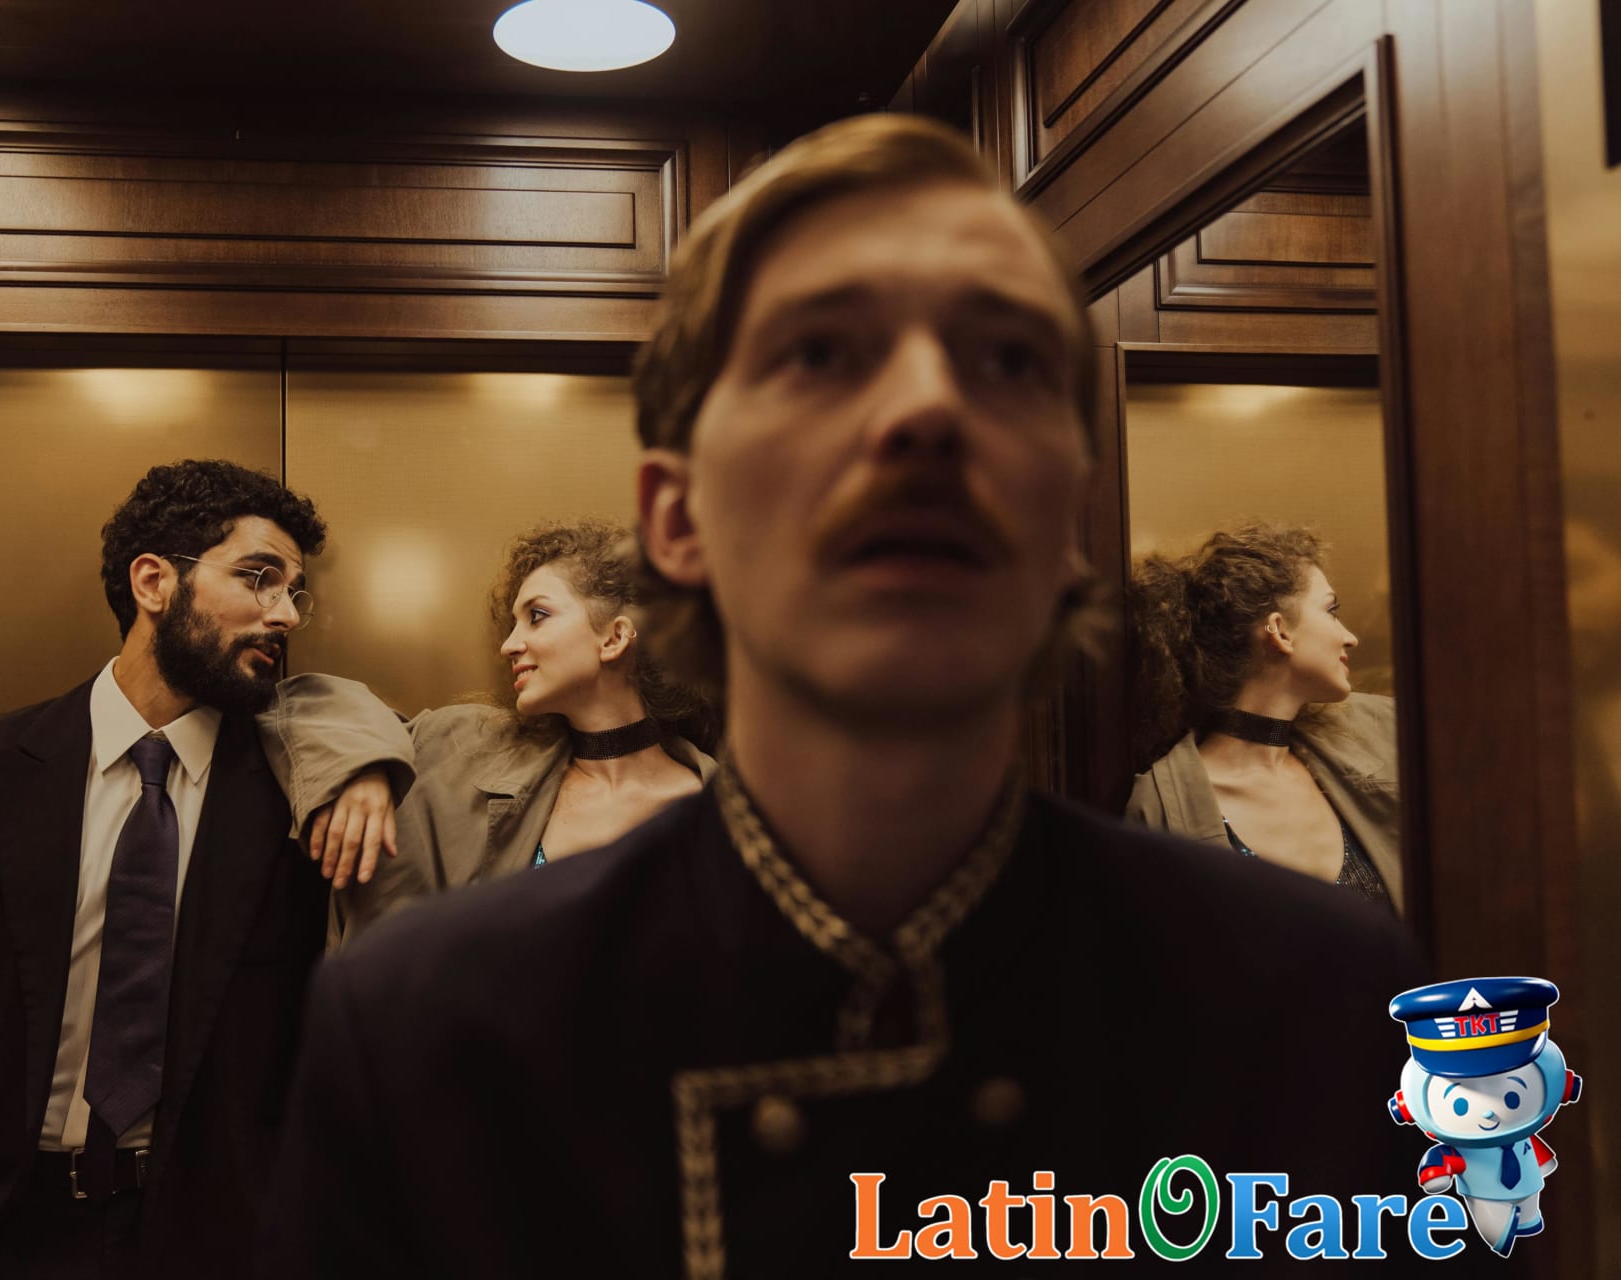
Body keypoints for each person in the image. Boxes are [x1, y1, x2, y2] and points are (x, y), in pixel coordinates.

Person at [266, 115, 1455, 1276]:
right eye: (821, 353)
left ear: (1067, 526)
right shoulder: (433, 1034)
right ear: (679, 518)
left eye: (1008, 363)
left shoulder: (1328, 1001)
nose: (929, 411)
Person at [0, 459, 413, 1280]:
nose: (285, 613)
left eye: (296, 592)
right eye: (259, 578)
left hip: (210, 1233)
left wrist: (368, 759)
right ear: (153, 580)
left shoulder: (290, 785)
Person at [258, 518, 716, 940]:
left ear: (614, 638)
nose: (509, 645)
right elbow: (300, 702)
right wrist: (363, 769)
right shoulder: (466, 747)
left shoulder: (717, 810)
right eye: (513, 622)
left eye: (537, 616)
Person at [1123, 524, 1401, 913]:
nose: (1350, 637)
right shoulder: (1164, 806)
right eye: (1331, 610)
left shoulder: (1366, 742)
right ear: (1279, 631)